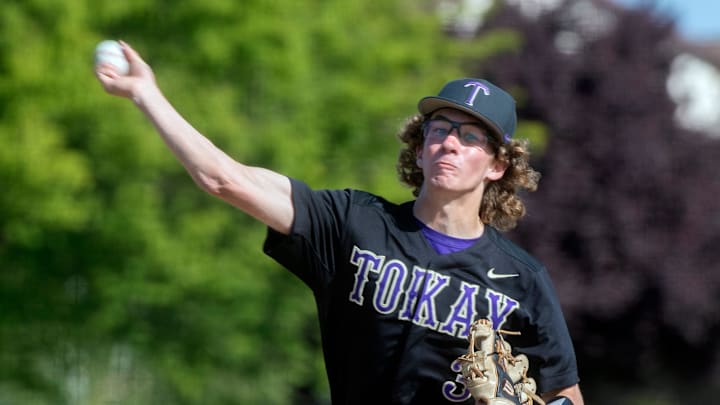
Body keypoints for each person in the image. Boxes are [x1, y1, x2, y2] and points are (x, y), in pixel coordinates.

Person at [95, 41, 584, 405]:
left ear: (498, 165)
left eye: (472, 136)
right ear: (419, 146)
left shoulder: (522, 280)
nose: (451, 142)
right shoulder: (352, 224)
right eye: (440, 129)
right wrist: (146, 95)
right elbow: (225, 180)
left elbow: (568, 391)